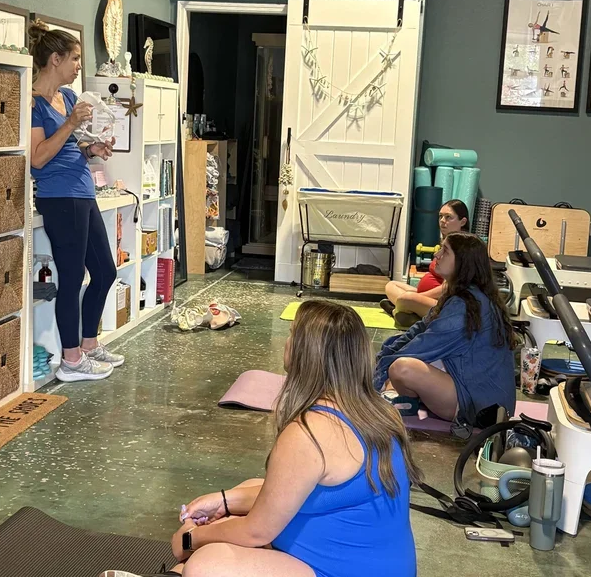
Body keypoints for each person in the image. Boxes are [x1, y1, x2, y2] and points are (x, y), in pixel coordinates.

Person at [169, 301, 420, 577]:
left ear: (305, 352)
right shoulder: (378, 411)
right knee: (251, 488)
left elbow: (256, 531)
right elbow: (301, 494)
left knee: (207, 564)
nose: (285, 342)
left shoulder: (310, 432)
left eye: (291, 334)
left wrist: (191, 539)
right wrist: (224, 501)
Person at [29, 20, 123, 382]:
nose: (78, 65)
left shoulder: (68, 97)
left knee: (105, 271)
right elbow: (38, 158)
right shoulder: (34, 104)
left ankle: (89, 345)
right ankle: (71, 360)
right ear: (55, 60)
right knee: (71, 278)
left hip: (83, 192)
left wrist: (92, 149)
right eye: (75, 58)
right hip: (59, 197)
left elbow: (72, 146)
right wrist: (69, 124)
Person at [375, 233, 516, 428]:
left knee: (401, 368)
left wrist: (376, 378)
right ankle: (402, 398)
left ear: (462, 262)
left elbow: (422, 346)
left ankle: (402, 402)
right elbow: (419, 330)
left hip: (483, 409)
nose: (437, 255)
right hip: (481, 396)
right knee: (398, 355)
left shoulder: (465, 305)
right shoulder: (463, 294)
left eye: (445, 251)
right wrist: (385, 353)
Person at [381, 199, 470, 327]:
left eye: (448, 217)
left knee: (405, 299)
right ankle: (409, 313)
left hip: (443, 304)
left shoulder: (461, 249)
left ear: (463, 221)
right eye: (440, 216)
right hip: (428, 297)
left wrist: (419, 296)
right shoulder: (446, 242)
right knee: (391, 285)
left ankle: (399, 310)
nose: (442, 221)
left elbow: (448, 288)